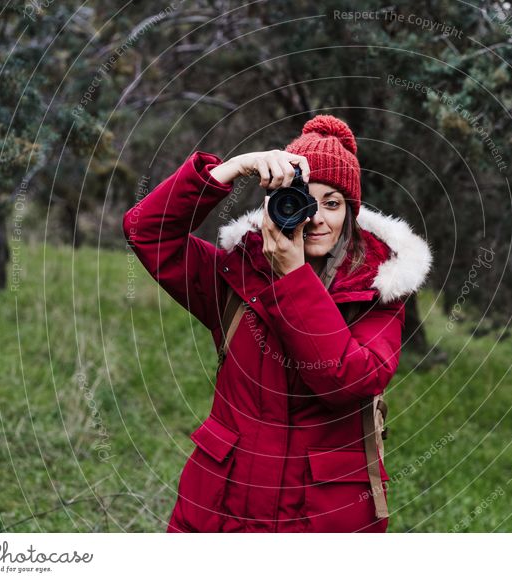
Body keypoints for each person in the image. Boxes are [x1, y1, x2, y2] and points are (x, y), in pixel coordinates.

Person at [122, 114, 432, 532]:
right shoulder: (235, 276)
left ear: (351, 214)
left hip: (319, 518)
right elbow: (146, 232)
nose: (316, 217)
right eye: (302, 200)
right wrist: (226, 171)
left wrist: (292, 276)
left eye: (333, 203)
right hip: (222, 507)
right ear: (273, 205)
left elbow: (347, 381)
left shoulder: (378, 293)